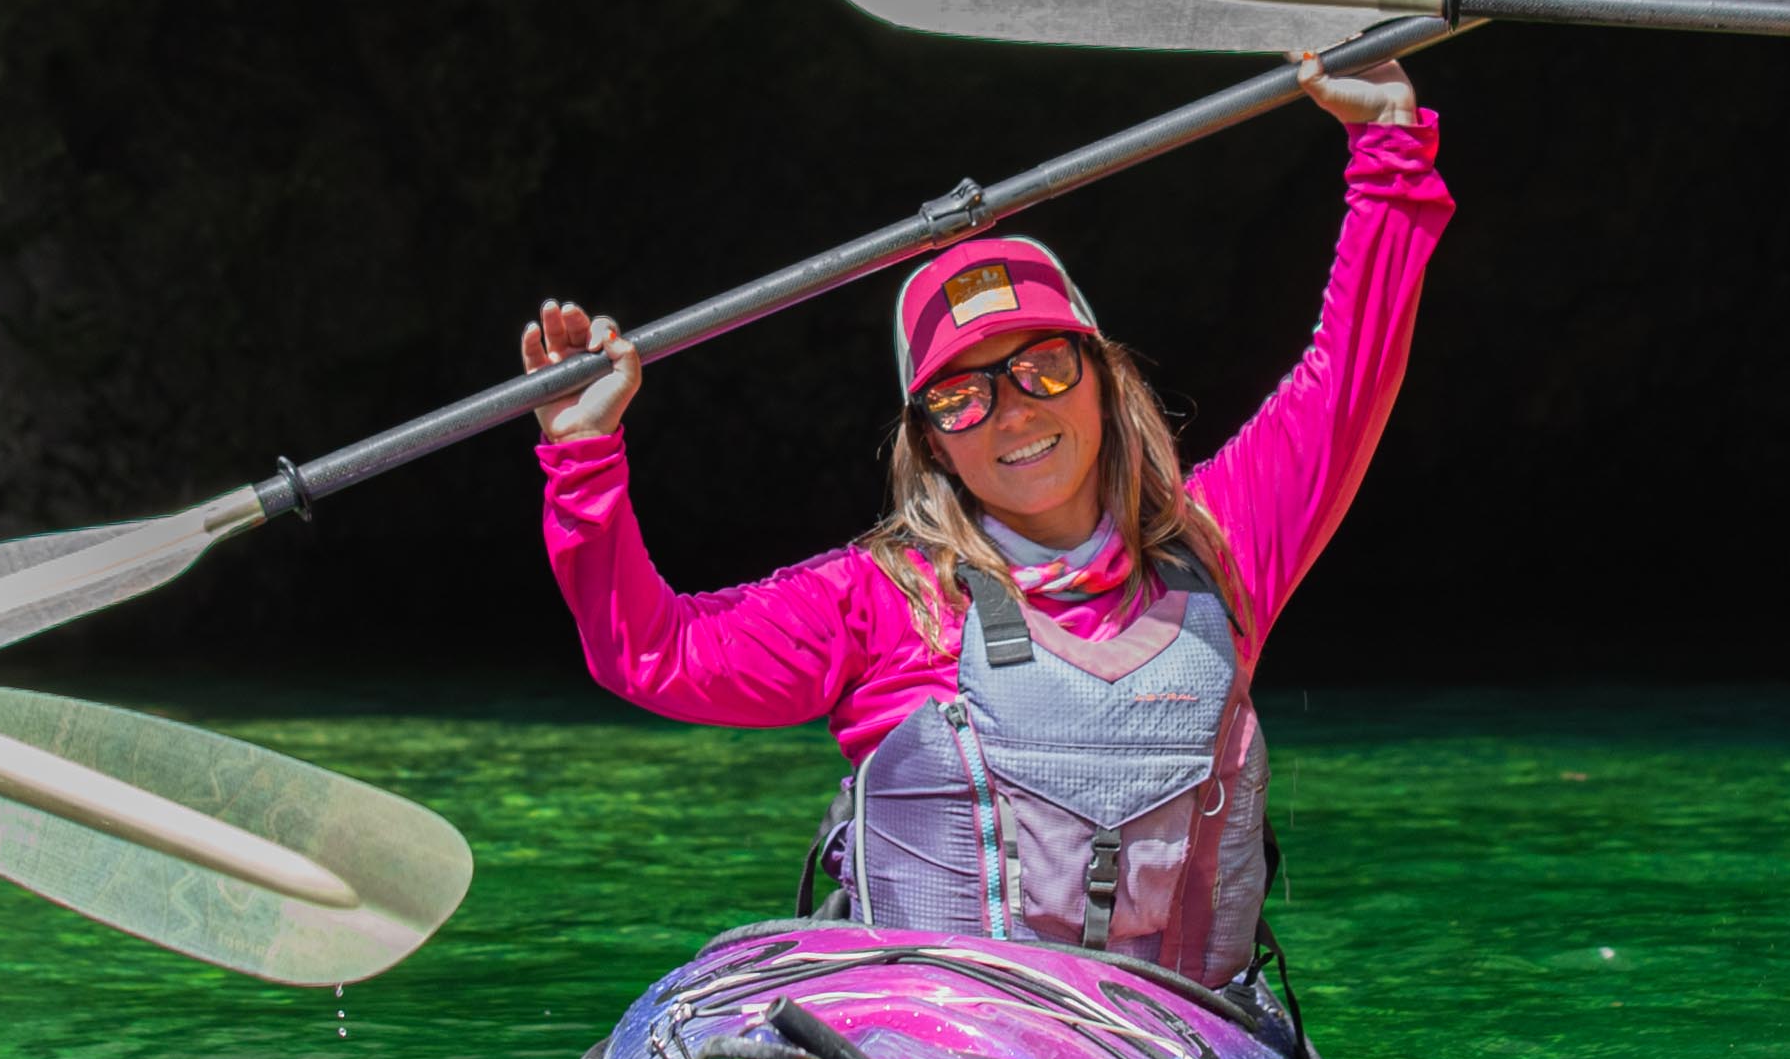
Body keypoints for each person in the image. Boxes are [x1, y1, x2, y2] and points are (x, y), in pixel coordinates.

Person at [511, 62, 1447, 999]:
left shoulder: (1221, 545)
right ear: (930, 442)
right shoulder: (881, 600)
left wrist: (1389, 146)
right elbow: (652, 651)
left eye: (1042, 367)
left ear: (1103, 378)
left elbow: (1346, 378)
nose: (1011, 413)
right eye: (962, 396)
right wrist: (585, 454)